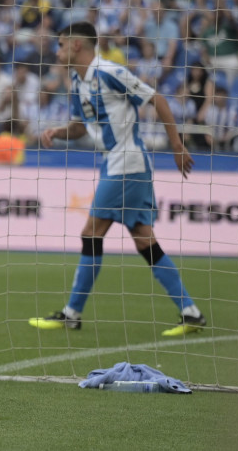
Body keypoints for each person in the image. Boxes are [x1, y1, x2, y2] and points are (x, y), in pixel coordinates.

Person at [30, 22, 206, 336]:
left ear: (77, 46)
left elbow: (158, 100)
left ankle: (72, 313)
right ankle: (190, 312)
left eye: (60, 45)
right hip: (116, 164)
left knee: (91, 232)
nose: (56, 51)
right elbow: (82, 126)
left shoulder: (109, 72)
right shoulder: (77, 81)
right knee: (144, 241)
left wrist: (177, 146)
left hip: (127, 163)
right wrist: (58, 132)